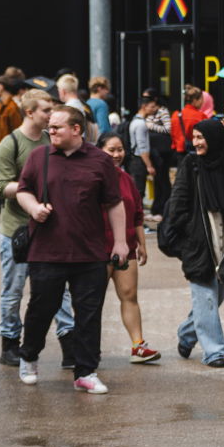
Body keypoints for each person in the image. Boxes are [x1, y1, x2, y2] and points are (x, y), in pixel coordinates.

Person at [13, 105, 129, 395]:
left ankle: (85, 371)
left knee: (89, 314)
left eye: (56, 127)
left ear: (76, 130)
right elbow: (23, 189)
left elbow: (114, 202)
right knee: (41, 309)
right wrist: (34, 208)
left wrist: (120, 241)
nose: (49, 131)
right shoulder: (39, 157)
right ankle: (29, 355)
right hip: (46, 251)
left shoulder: (100, 160)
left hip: (90, 252)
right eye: (49, 127)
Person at [159, 118, 224, 368]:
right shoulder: (191, 164)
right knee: (205, 295)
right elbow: (179, 200)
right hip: (199, 236)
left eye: (201, 137)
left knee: (219, 292)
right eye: (194, 138)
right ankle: (214, 352)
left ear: (214, 138)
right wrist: (182, 232)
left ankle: (186, 333)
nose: (196, 143)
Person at [0, 90, 68, 365]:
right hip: (17, 231)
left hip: (50, 229)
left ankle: (69, 342)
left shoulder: (51, 140)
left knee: (60, 290)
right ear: (30, 112)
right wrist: (30, 190)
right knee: (13, 289)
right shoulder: (11, 144)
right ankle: (9, 343)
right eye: (46, 110)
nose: (51, 115)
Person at [100, 133, 160, 365]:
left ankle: (138, 346)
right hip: (99, 249)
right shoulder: (93, 177)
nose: (117, 155)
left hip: (127, 247)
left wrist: (142, 245)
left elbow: (136, 215)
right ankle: (86, 348)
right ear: (100, 150)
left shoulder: (126, 179)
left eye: (120, 149)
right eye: (111, 150)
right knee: (92, 301)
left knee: (129, 295)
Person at [140, 91, 175, 220]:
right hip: (154, 150)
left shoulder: (162, 111)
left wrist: (150, 126)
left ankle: (163, 208)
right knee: (157, 179)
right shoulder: (149, 113)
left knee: (162, 179)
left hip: (162, 151)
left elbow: (168, 129)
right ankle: (157, 207)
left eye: (147, 98)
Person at [85, 77, 115, 141]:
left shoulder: (87, 103)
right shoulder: (101, 104)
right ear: (99, 88)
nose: (107, 92)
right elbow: (104, 129)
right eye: (106, 89)